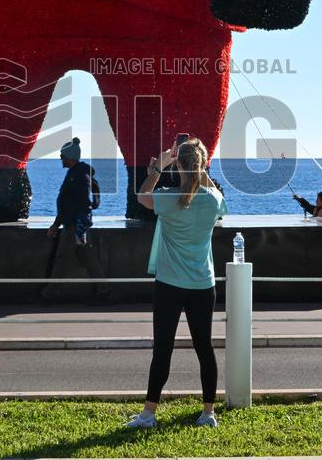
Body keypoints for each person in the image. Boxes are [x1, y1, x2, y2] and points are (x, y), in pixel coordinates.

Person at [126, 137, 227, 429]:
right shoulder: (213, 200)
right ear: (203, 165)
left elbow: (142, 196)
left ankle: (148, 414)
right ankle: (208, 413)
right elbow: (213, 194)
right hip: (202, 285)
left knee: (163, 350)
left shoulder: (169, 199)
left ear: (179, 165)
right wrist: (199, 166)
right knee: (204, 348)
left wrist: (158, 169)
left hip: (170, 284)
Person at [42, 137, 110, 304]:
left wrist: (80, 229)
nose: (60, 158)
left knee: (62, 258)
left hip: (75, 226)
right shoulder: (76, 173)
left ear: (70, 157)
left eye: (62, 156)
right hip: (74, 224)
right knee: (87, 257)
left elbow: (84, 202)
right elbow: (69, 203)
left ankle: (49, 294)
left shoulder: (79, 174)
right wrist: (57, 224)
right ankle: (103, 291)